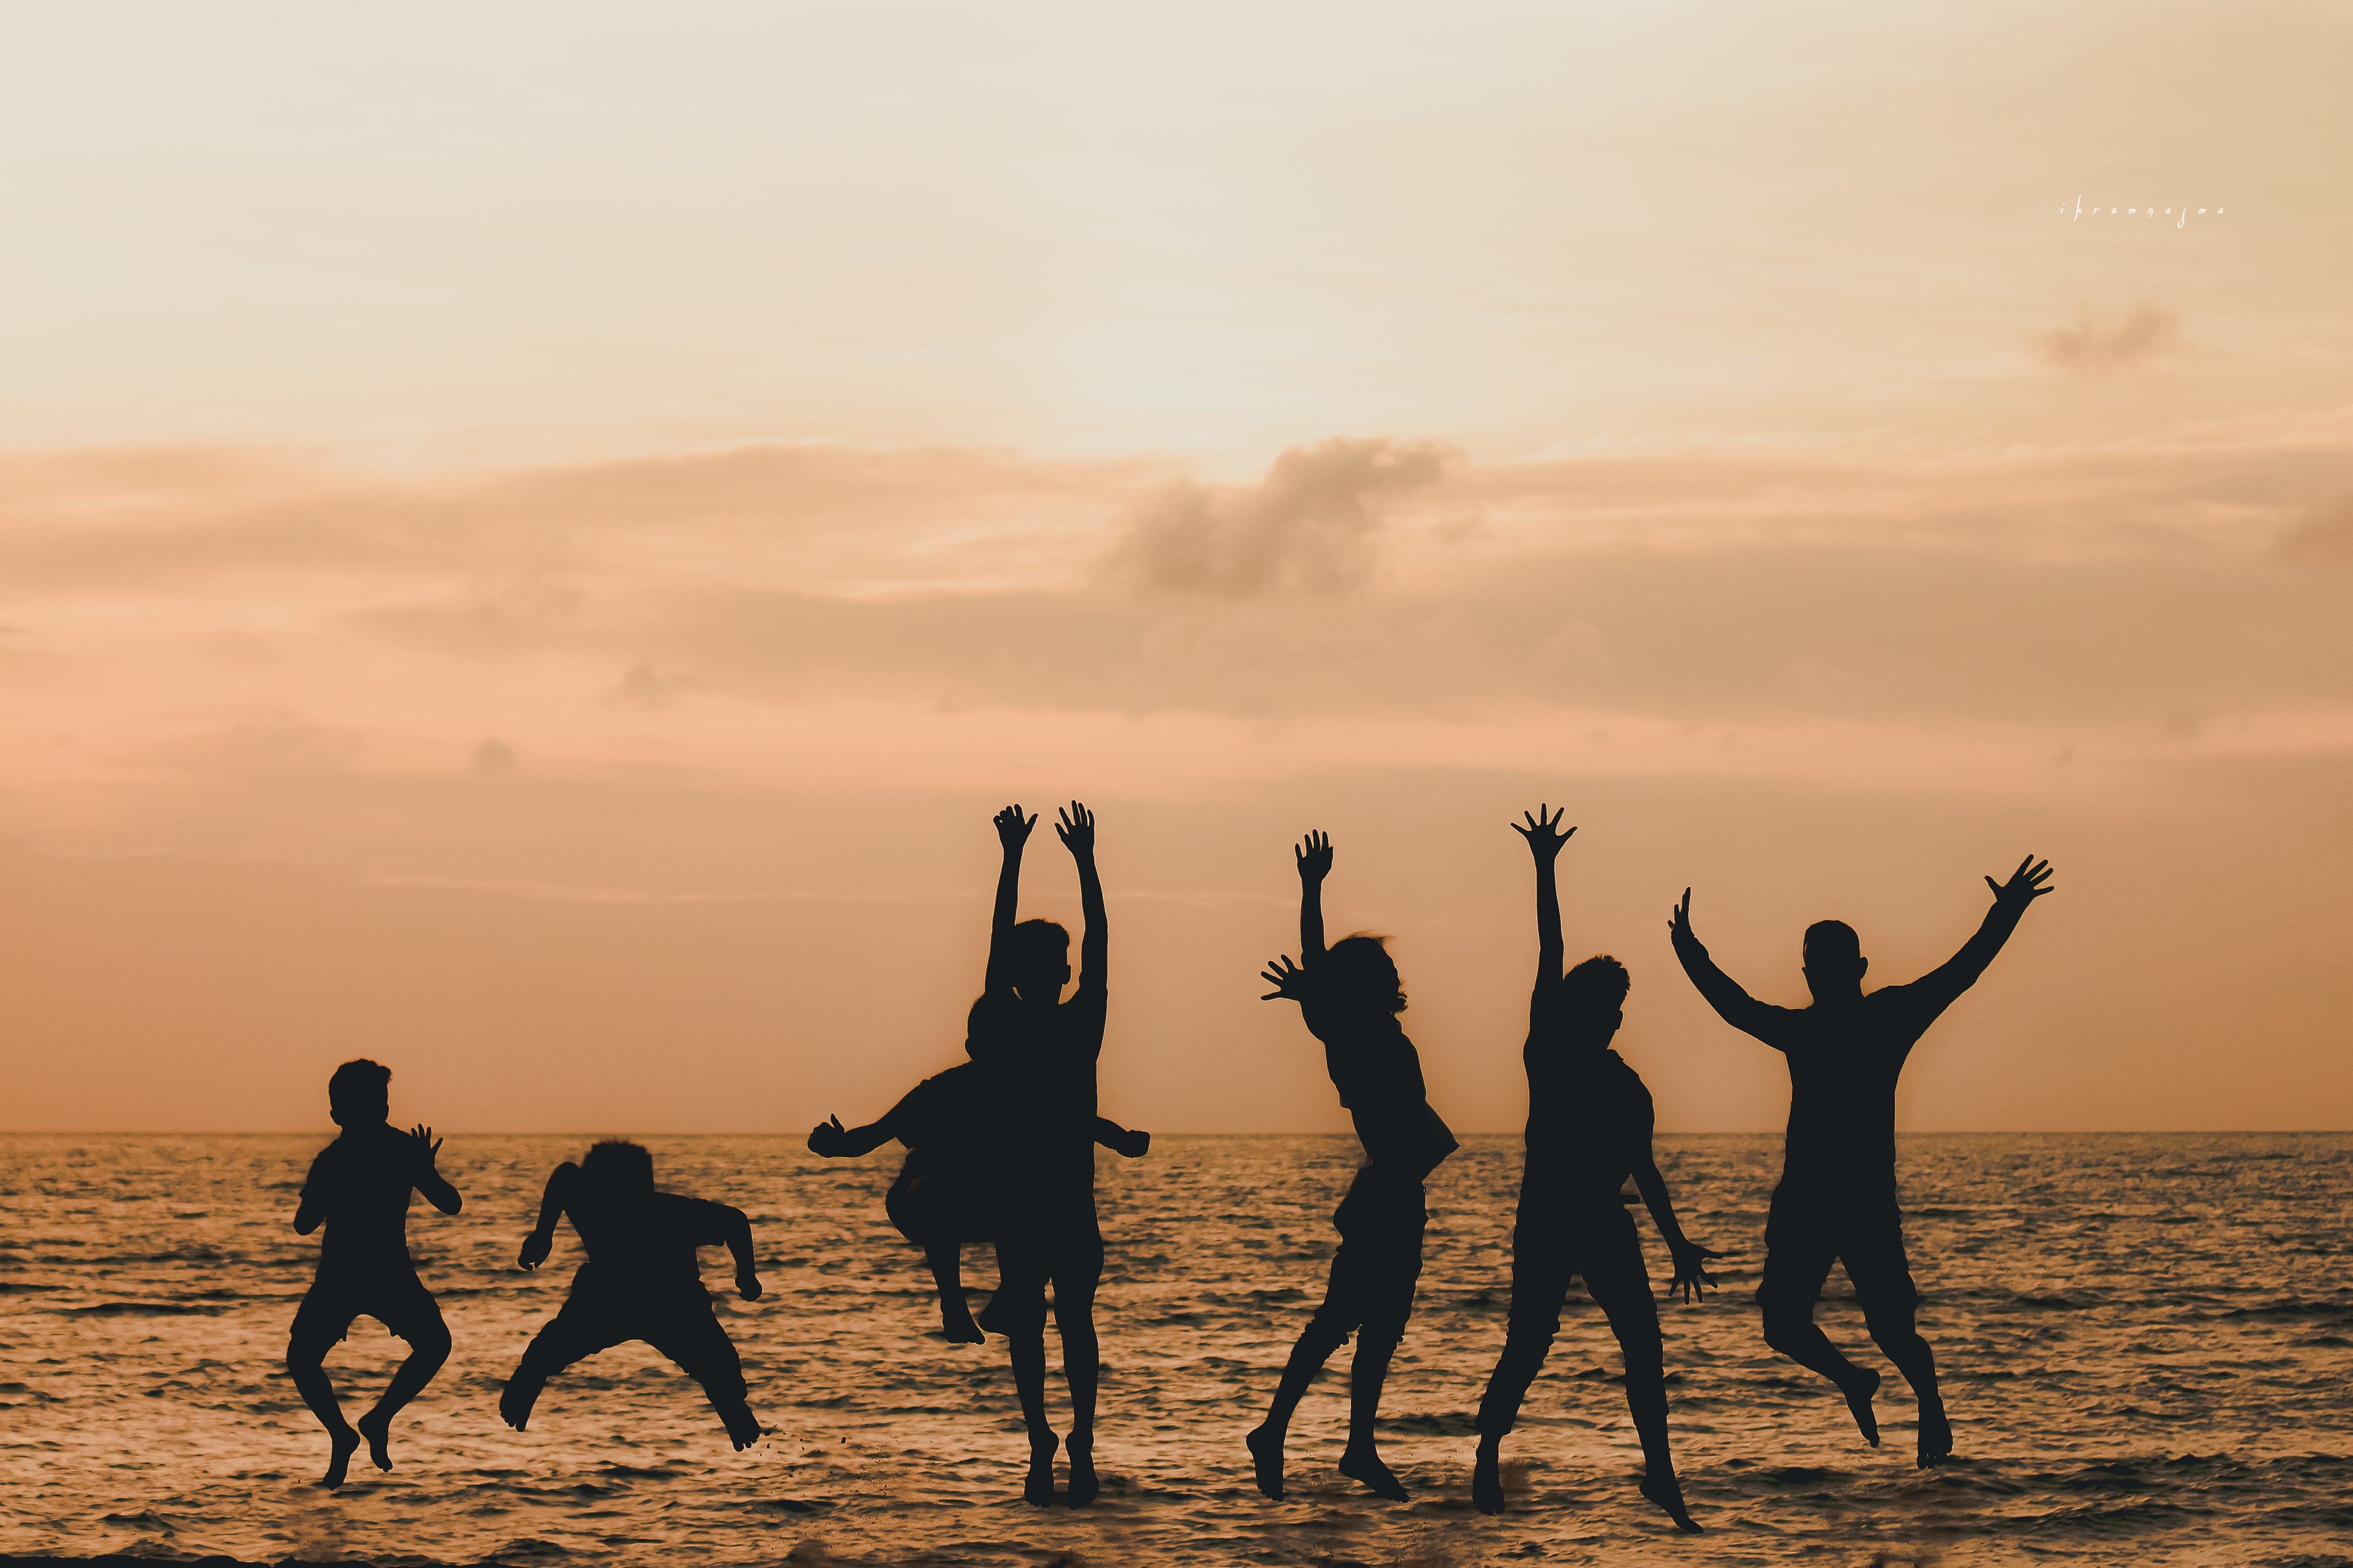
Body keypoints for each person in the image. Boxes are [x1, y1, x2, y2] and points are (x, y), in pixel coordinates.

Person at [1668, 855, 2056, 1467]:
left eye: (1828, 965)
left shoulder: (1883, 1017)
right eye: (1814, 966)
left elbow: (1964, 971)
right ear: (1812, 972)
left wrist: (2005, 911)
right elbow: (1734, 1006)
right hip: (1808, 1203)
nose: (1821, 975)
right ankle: (1855, 1380)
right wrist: (1690, 953)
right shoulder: (1815, 1028)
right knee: (1782, 1327)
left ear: (1856, 969)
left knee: (1892, 1331)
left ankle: (1928, 1403)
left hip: (1862, 1204)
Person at [1471, 806, 1718, 1531]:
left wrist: (1676, 1243)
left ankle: (1662, 1476)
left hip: (1605, 1224)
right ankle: (1487, 1449)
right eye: (1607, 1006)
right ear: (1581, 1008)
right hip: (1548, 1219)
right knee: (1528, 1342)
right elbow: (1550, 950)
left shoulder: (1625, 1082)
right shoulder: (1547, 1052)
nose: (1615, 1018)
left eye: (1620, 1008)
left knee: (1644, 1345)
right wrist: (1545, 868)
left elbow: (1642, 1166)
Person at [1249, 829, 1459, 1504]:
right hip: (1384, 1194)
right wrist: (1311, 888)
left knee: (1382, 1322)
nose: (1397, 982)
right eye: (1384, 975)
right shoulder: (1349, 1030)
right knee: (1342, 1319)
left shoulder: (1375, 1030)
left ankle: (1355, 1443)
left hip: (1397, 1194)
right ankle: (1278, 1431)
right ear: (1364, 988)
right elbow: (1316, 961)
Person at [808, 1006, 1150, 1343]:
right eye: (995, 1046)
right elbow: (870, 1137)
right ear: (974, 1050)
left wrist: (1124, 1140)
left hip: (985, 1205)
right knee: (942, 1192)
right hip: (920, 1202)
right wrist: (834, 1144)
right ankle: (954, 1306)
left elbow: (1081, 1122)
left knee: (1059, 1207)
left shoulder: (1030, 1090)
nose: (1004, 1057)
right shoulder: (942, 1089)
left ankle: (1008, 1299)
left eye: (1011, 1045)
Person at [965, 800, 1113, 1507]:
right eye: (1051, 962)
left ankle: (1071, 1441)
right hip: (1031, 1204)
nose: (1059, 969)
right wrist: (1025, 859)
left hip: (1054, 1204)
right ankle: (1045, 1443)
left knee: (1064, 1321)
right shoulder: (1022, 1018)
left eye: (1059, 961)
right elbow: (1000, 944)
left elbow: (1099, 942)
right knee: (1040, 1322)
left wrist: (1070, 862)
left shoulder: (1075, 1020)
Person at [499, 1140, 765, 1452]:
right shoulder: (674, 1211)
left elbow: (566, 1176)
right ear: (646, 1183)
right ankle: (730, 1403)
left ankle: (530, 1376)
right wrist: (746, 1276)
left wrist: (545, 1234)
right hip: (672, 1303)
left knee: (555, 1344)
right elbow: (735, 1221)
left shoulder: (595, 1209)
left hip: (613, 1299)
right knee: (715, 1363)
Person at [286, 1058, 462, 1489]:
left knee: (302, 1359)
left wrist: (424, 1171)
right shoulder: (400, 1149)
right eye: (375, 1102)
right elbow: (451, 1205)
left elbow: (304, 1224)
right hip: (372, 1275)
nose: (380, 1110)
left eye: (381, 1101)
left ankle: (358, 1426)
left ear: (336, 1115)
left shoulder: (335, 1158)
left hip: (359, 1275)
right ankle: (361, 1427)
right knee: (434, 1344)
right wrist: (424, 1170)